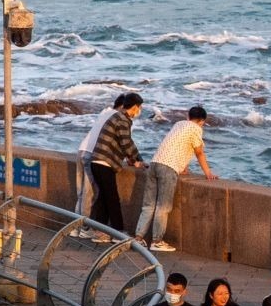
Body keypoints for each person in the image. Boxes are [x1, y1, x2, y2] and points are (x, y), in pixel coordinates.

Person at [136, 104, 214, 253]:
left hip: (154, 163)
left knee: (148, 205)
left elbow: (179, 145)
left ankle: (138, 238)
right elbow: (199, 152)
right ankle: (157, 241)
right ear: (202, 121)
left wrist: (183, 167)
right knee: (163, 207)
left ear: (188, 116)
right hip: (168, 168)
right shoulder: (196, 128)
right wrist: (208, 173)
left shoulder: (178, 124)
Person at [88, 92, 144, 235]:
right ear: (135, 107)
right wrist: (139, 160)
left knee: (103, 198)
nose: (139, 111)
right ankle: (119, 232)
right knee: (112, 199)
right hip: (105, 163)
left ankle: (99, 231)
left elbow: (121, 143)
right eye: (139, 107)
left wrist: (131, 159)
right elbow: (126, 143)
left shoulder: (116, 116)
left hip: (97, 161)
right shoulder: (123, 120)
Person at [74, 94, 130, 230]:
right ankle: (85, 228)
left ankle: (75, 227)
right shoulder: (118, 118)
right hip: (92, 153)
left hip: (81, 149)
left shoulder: (105, 112)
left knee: (81, 194)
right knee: (90, 193)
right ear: (123, 107)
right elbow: (123, 142)